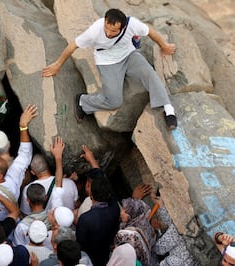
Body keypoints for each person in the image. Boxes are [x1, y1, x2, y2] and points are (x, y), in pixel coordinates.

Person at [42, 8, 178, 130]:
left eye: (113, 31)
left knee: (150, 74)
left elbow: (151, 31)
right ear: (105, 21)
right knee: (114, 101)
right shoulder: (95, 30)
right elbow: (73, 45)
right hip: (107, 62)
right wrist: (57, 65)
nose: (108, 32)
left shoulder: (132, 24)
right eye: (106, 27)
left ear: (123, 28)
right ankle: (83, 101)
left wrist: (164, 46)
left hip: (129, 55)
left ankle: (169, 110)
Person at [13, 137, 65, 248]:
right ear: (45, 197)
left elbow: (25, 213)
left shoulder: (22, 227)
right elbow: (59, 183)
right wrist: (58, 157)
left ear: (28, 200)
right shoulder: (54, 217)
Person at [76, 175, 120, 266]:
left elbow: (80, 243)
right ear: (108, 195)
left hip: (89, 256)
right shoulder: (115, 209)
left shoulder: (85, 219)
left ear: (90, 195)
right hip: (105, 253)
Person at [20, 149, 78, 216]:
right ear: (48, 165)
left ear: (32, 172)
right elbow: (76, 205)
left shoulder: (28, 189)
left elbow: (26, 214)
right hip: (68, 225)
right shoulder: (70, 183)